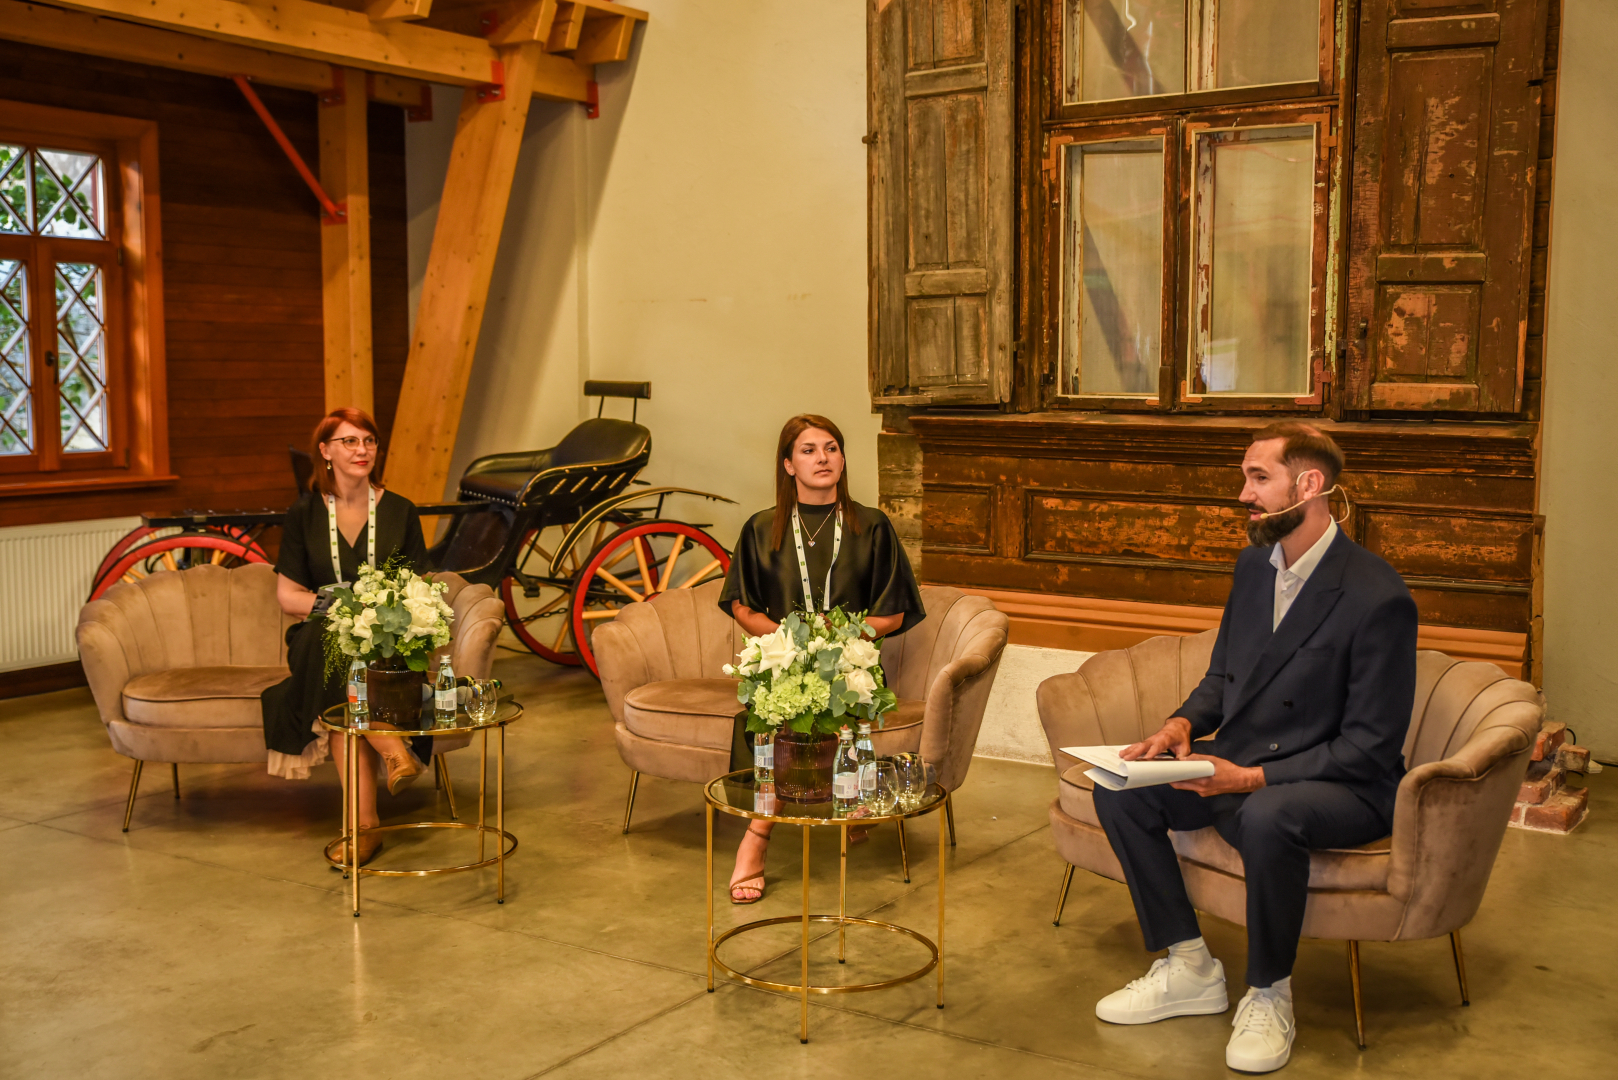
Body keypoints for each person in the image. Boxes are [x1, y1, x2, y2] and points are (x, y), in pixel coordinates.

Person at [1089, 422, 1417, 1073]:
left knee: (1268, 816)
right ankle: (1189, 964)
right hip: (1243, 761)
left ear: (1310, 484)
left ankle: (1270, 993)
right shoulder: (1252, 567)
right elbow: (1224, 675)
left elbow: (1369, 747)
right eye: (1246, 477)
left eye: (1259, 478)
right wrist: (1181, 725)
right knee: (1123, 787)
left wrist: (1247, 780)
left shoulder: (1378, 596)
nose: (1244, 494)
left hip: (1347, 785)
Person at [718, 414, 926, 904]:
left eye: (831, 448)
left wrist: (837, 640)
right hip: (782, 661)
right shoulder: (760, 528)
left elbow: (894, 613)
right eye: (809, 450)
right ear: (788, 464)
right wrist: (791, 642)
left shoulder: (872, 526)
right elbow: (742, 606)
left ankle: (840, 813)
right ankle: (757, 838)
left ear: (843, 459)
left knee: (839, 710)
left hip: (851, 664)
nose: (823, 458)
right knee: (766, 720)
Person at [260, 407, 434, 867]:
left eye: (369, 441)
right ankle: (393, 751)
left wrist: (379, 617)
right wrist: (344, 610)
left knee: (344, 704)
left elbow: (418, 587)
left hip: (388, 641)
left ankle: (365, 830)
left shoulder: (400, 510)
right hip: (321, 636)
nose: (362, 450)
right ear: (325, 451)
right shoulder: (304, 513)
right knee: (331, 642)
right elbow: (288, 596)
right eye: (349, 441)